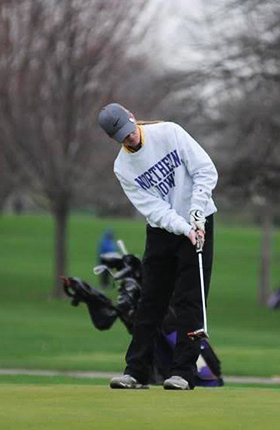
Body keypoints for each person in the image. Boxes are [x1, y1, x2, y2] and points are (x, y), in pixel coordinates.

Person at [98, 102, 218, 390]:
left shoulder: (169, 133)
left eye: (130, 131)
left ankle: (184, 373)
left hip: (200, 220)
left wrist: (197, 213)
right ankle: (136, 371)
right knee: (150, 300)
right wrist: (183, 227)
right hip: (163, 229)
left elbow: (205, 170)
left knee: (190, 299)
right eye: (122, 137)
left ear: (132, 116)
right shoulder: (123, 168)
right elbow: (154, 210)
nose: (130, 138)